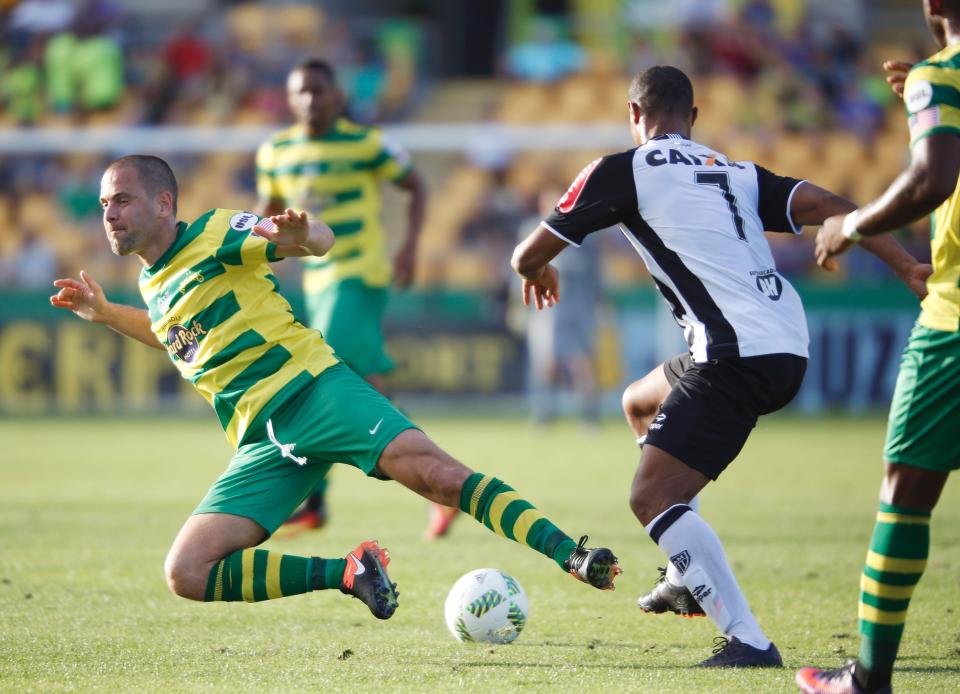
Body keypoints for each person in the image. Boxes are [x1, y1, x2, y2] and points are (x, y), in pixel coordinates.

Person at [49, 155, 622, 619]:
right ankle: (350, 572)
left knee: (439, 477)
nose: (109, 214)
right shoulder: (154, 280)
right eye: (104, 205)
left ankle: (570, 553)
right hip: (261, 442)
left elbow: (313, 240)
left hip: (315, 391)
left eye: (120, 200)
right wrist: (104, 313)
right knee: (187, 573)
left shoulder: (214, 232)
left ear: (163, 202)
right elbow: (169, 332)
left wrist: (307, 236)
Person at [511, 66, 930, 668]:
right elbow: (836, 204)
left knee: (651, 494)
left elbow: (527, 253)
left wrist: (536, 271)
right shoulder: (732, 171)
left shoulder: (620, 170)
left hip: (734, 354)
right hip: (786, 340)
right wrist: (907, 267)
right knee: (638, 401)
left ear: (633, 115)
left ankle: (749, 640)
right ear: (694, 118)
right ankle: (686, 577)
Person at [796, 1, 960, 692]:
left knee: (907, 494)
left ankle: (868, 679)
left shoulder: (941, 74)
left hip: (955, 324)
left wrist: (851, 226)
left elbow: (932, 179)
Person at [255, 58, 457, 538]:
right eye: (301, 92)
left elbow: (416, 186)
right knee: (368, 390)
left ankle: (314, 501)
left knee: (324, 383)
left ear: (337, 96)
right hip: (316, 282)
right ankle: (443, 484)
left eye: (319, 91)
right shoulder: (274, 151)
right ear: (289, 99)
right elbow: (265, 213)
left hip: (361, 272)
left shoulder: (368, 143)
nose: (310, 100)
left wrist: (409, 247)